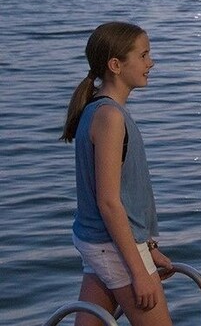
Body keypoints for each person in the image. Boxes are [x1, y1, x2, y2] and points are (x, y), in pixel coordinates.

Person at [61, 22, 173, 326]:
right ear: (115, 65)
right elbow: (109, 202)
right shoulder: (109, 117)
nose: (151, 63)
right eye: (143, 55)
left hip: (99, 241)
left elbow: (128, 193)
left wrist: (149, 247)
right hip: (112, 246)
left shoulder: (99, 111)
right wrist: (139, 271)